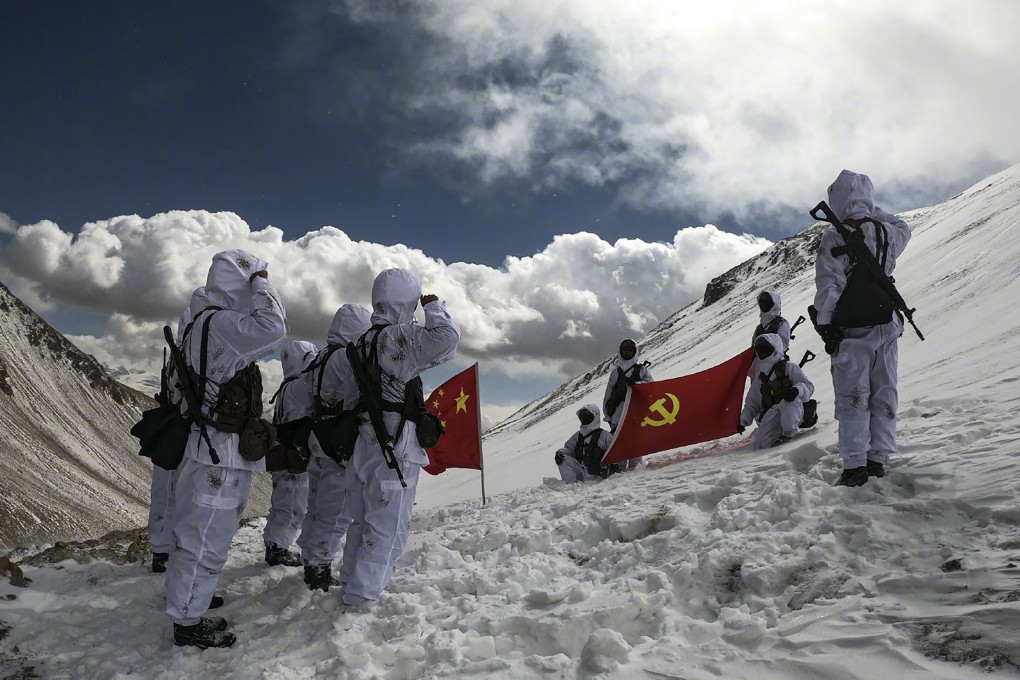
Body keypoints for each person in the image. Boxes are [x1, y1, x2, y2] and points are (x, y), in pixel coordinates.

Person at [164, 249, 286, 649]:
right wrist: (263, 284)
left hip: (205, 448)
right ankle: (187, 622)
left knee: (196, 534)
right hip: (218, 453)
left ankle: (188, 599)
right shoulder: (220, 324)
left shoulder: (201, 320)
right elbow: (273, 327)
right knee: (206, 539)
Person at [338, 269, 460, 610]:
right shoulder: (397, 338)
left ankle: (351, 582)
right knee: (387, 526)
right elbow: (447, 338)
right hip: (393, 445)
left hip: (363, 442)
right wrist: (434, 307)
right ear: (408, 301)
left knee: (362, 523)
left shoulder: (360, 343)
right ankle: (360, 598)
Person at [813, 169, 911, 487]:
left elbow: (830, 286)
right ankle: (878, 458)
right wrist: (871, 212)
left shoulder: (835, 236)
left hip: (853, 332)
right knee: (885, 391)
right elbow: (904, 228)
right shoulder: (886, 232)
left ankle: (855, 465)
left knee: (854, 394)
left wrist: (826, 325)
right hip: (888, 323)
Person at [297, 303, 371, 592]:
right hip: (337, 441)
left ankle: (310, 557)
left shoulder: (319, 358)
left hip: (318, 436)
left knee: (315, 507)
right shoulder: (345, 358)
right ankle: (319, 566)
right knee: (336, 511)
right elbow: (356, 394)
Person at [149, 291, 205, 574]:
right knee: (181, 495)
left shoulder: (176, 358)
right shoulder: (191, 358)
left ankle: (161, 550)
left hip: (170, 430)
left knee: (164, 492)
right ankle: (172, 551)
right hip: (184, 432)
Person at [262, 339, 317, 568]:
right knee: (295, 506)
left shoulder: (285, 387)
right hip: (296, 456)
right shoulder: (302, 386)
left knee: (282, 502)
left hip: (282, 454)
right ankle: (279, 548)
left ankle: (274, 544)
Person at [738, 333, 814, 449]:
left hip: (795, 408)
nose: (762, 352)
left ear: (774, 347)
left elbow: (808, 386)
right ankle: (776, 439)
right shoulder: (761, 378)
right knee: (761, 444)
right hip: (774, 411)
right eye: (760, 350)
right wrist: (743, 421)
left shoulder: (789, 367)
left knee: (788, 404)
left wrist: (796, 390)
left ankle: (789, 434)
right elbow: (752, 403)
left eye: (765, 348)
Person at [602, 338, 653, 470]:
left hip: (636, 411)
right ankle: (620, 471)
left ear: (635, 351)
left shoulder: (642, 370)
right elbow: (609, 394)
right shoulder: (615, 373)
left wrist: (637, 385)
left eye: (631, 350)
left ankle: (635, 471)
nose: (628, 352)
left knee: (635, 442)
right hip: (618, 414)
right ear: (621, 351)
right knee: (620, 443)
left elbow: (651, 386)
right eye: (625, 350)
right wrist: (608, 415)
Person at [556, 404, 614, 482]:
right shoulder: (578, 436)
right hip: (582, 473)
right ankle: (571, 486)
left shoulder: (605, 436)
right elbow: (568, 449)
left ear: (595, 416)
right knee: (564, 459)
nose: (584, 419)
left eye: (587, 416)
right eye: (582, 417)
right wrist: (560, 453)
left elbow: (616, 455)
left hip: (600, 477)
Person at [748, 290, 791, 378]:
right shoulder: (759, 328)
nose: (764, 304)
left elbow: (783, 346)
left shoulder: (781, 323)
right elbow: (753, 349)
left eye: (766, 301)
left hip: (776, 368)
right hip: (758, 370)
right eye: (762, 302)